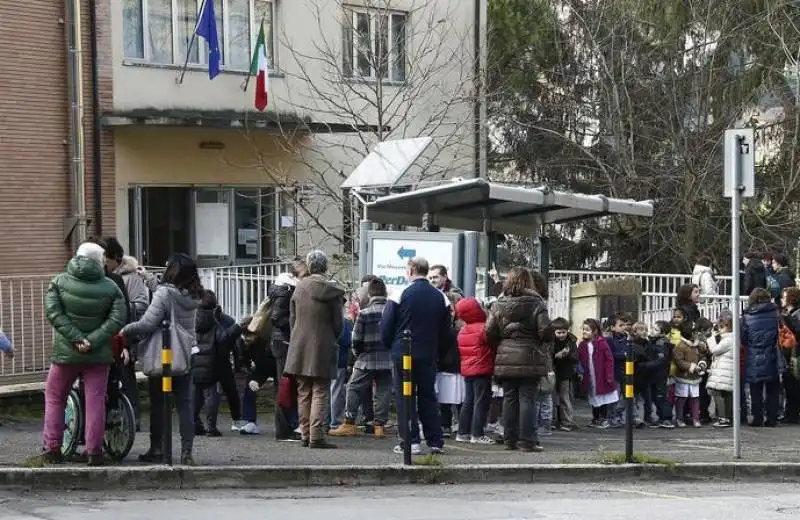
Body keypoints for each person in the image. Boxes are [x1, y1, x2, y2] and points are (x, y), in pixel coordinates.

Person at [36, 242, 127, 466]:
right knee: (95, 400)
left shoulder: (59, 282)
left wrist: (77, 339)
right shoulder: (111, 287)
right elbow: (116, 320)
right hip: (98, 355)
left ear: (78, 257)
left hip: (66, 353)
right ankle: (93, 451)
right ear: (100, 261)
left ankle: (52, 448)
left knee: (55, 397)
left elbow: (54, 314)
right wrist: (92, 340)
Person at [122, 253, 203, 465]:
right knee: (185, 403)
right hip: (187, 353)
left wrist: (125, 330)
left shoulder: (165, 294)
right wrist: (148, 278)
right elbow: (167, 293)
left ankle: (157, 448)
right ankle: (187, 452)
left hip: (165, 354)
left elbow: (148, 323)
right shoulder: (194, 295)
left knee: (159, 403)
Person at [381, 256, 450, 455]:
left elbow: (386, 327)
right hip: (428, 354)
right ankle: (435, 441)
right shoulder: (440, 297)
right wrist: (438, 351)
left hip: (403, 353)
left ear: (411, 270)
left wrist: (392, 346)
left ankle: (410, 442)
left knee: (406, 397)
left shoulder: (400, 293)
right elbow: (446, 331)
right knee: (428, 396)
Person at [486, 266, 552, 453]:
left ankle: (509, 440)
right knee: (527, 399)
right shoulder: (537, 302)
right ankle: (527, 442)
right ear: (529, 281)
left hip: (506, 355)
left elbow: (489, 332)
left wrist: (502, 341)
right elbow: (546, 331)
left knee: (509, 398)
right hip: (530, 355)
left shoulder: (499, 303)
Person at [284, 250, 345, 449]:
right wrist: (330, 338)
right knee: (320, 391)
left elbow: (293, 320)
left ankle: (305, 433)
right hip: (323, 345)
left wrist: (298, 338)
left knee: (303, 391)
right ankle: (316, 436)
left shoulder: (299, 289)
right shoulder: (332, 291)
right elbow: (339, 324)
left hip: (300, 346)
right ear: (325, 266)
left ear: (309, 266)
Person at [330, 278, 393, 438]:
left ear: (370, 294)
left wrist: (358, 355)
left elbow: (356, 339)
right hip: (387, 359)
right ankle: (379, 426)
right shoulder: (392, 312)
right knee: (383, 391)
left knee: (353, 388)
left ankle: (349, 423)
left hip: (366, 359)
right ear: (385, 293)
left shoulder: (365, 313)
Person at [192, 290, 245, 437]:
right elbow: (223, 339)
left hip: (195, 361)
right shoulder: (215, 321)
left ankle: (193, 423)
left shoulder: (191, 318)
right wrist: (238, 327)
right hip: (212, 363)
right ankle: (211, 427)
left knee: (196, 395)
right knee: (211, 396)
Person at [266, 262, 306, 440]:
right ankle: (283, 430)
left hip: (281, 341)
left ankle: (286, 427)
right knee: (285, 386)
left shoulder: (283, 288)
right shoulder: (286, 291)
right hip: (283, 341)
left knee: (285, 385)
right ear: (296, 276)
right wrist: (294, 324)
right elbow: (277, 318)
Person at [454, 297, 494, 444]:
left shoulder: (463, 330)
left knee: (468, 401)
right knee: (481, 401)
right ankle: (477, 434)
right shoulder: (484, 328)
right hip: (482, 369)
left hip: (468, 370)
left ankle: (462, 432)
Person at [742, 287, 782, 427]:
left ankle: (757, 417)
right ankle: (772, 418)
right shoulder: (776, 314)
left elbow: (743, 337)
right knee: (773, 388)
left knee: (755, 388)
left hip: (754, 354)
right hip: (772, 353)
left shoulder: (747, 316)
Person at [577, 318, 618, 429]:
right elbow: (578, 360)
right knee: (593, 397)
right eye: (583, 329)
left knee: (602, 397)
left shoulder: (602, 343)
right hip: (589, 376)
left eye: (587, 330)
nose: (584, 332)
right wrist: (580, 371)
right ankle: (595, 418)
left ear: (595, 331)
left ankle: (603, 419)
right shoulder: (582, 345)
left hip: (600, 376)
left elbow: (609, 359)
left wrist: (609, 375)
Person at [672, 320, 705, 428]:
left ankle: (695, 418)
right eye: (694, 332)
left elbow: (701, 356)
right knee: (682, 398)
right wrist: (691, 366)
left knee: (695, 398)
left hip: (695, 376)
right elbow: (679, 361)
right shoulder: (680, 346)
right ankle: (679, 418)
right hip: (683, 376)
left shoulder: (697, 345)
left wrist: (702, 363)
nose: (696, 334)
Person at [643, 321, 674, 428]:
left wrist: (647, 365)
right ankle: (660, 417)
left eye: (656, 329)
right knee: (654, 397)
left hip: (659, 375)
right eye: (652, 328)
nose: (652, 330)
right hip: (653, 374)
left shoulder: (661, 343)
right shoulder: (652, 342)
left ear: (663, 333)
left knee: (660, 396)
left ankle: (666, 418)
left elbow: (662, 360)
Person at [706, 315, 735, 428]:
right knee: (726, 393)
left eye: (721, 327)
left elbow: (715, 350)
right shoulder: (733, 338)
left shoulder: (728, 339)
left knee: (717, 392)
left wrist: (711, 338)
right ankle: (728, 418)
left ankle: (723, 418)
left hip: (723, 370)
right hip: (727, 369)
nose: (719, 330)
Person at [550, 318, 578, 431]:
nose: (561, 335)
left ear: (568, 331)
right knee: (551, 397)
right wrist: (557, 355)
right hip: (552, 372)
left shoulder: (571, 342)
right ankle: (552, 420)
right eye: (558, 332)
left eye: (563, 332)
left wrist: (567, 355)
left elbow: (576, 358)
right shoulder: (551, 341)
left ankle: (567, 421)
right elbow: (548, 356)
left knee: (564, 397)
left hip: (565, 373)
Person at [607, 313, 631, 427]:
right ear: (612, 328)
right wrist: (625, 354)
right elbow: (610, 355)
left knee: (627, 397)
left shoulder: (628, 338)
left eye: (625, 325)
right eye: (621, 325)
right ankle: (612, 417)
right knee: (614, 397)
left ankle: (619, 415)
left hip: (627, 372)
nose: (624, 327)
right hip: (615, 372)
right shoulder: (610, 340)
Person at [781, 287, 800, 423]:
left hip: (794, 354)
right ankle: (790, 412)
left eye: (784, 296)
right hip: (788, 354)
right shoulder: (789, 314)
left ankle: (792, 413)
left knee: (793, 384)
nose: (782, 299)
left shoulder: (795, 315)